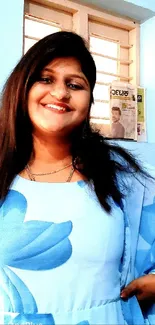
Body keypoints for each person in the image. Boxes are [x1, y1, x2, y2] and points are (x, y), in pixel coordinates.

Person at [0, 31, 155, 325]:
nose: (60, 93)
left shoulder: (123, 178)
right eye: (46, 79)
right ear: (23, 87)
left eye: (75, 84)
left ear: (89, 102)